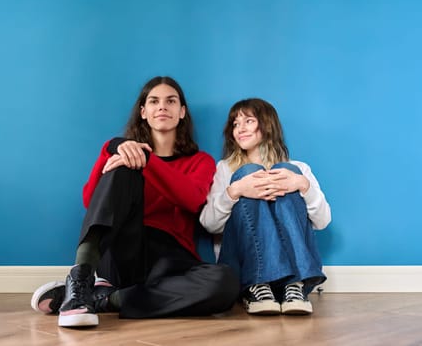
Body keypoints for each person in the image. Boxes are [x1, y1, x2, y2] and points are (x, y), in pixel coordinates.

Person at [31, 76, 239, 327]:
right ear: (143, 112)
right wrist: (111, 147)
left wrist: (146, 159)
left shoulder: (200, 161)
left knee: (225, 283)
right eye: (154, 101)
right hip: (122, 255)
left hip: (172, 262)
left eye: (171, 101)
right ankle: (81, 279)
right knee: (123, 169)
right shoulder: (123, 154)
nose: (162, 107)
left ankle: (105, 300)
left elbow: (193, 200)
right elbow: (91, 201)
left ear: (182, 112)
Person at [199, 98, 331, 316]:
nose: (240, 128)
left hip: (292, 281)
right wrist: (236, 190)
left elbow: (323, 221)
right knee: (247, 171)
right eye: (235, 124)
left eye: (248, 121)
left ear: (267, 125)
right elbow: (209, 224)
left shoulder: (298, 168)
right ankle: (259, 284)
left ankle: (293, 285)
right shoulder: (225, 168)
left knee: (286, 169)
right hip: (245, 272)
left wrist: (302, 185)